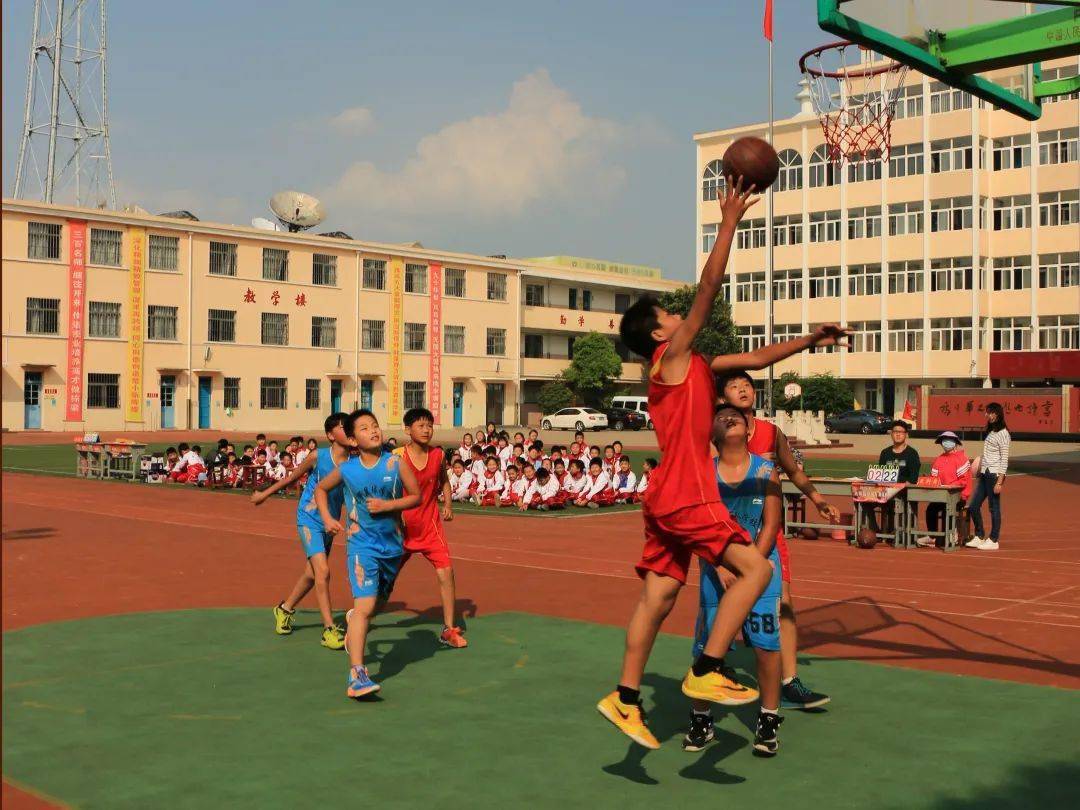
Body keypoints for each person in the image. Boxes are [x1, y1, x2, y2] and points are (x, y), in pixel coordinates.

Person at [597, 176, 851, 749]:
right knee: (758, 571)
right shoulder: (671, 355)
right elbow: (708, 291)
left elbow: (756, 358)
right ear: (658, 331)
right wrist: (730, 220)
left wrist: (810, 340)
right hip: (688, 493)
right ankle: (708, 668)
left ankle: (626, 697)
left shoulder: (690, 365)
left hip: (663, 497)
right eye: (669, 313)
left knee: (658, 597)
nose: (678, 315)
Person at [718, 370, 836, 710]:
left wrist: (817, 499)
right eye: (734, 386)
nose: (743, 390)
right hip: (727, 534)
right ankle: (715, 668)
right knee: (722, 604)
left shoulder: (771, 433)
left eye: (747, 385)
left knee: (784, 603)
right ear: (723, 398)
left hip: (768, 531)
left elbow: (794, 471)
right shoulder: (716, 432)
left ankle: (789, 681)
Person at [685, 405, 785, 756]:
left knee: (766, 645)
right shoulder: (703, 474)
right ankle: (701, 718)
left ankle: (768, 718)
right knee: (707, 646)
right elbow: (698, 528)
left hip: (762, 565)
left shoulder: (766, 471)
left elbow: (771, 524)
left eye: (736, 417)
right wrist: (721, 566)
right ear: (712, 434)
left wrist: (751, 568)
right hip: (717, 569)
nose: (730, 418)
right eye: (721, 417)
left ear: (748, 430)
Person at [314, 409, 420, 698]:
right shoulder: (347, 469)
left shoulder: (395, 463)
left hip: (392, 548)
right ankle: (357, 675)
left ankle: (355, 626)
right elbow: (321, 490)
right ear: (352, 440)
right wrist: (327, 518)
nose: (373, 430)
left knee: (375, 606)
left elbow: (416, 496)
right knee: (364, 606)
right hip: (361, 547)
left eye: (375, 425)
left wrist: (388, 506)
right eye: (364, 428)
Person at [255, 412, 353, 650]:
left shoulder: (353, 463)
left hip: (330, 522)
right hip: (309, 518)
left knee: (312, 573)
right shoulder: (318, 456)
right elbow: (292, 477)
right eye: (343, 427)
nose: (349, 430)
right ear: (330, 435)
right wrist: (264, 494)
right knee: (323, 571)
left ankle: (285, 608)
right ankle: (329, 630)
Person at [394, 407, 468, 648]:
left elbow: (443, 481)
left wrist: (448, 504)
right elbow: (388, 489)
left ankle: (448, 629)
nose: (426, 430)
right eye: (421, 425)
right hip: (401, 530)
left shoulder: (438, 455)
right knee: (385, 582)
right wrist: (394, 515)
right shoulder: (397, 457)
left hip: (430, 527)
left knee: (446, 572)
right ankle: (361, 615)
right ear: (408, 429)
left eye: (429, 425)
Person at [965, 403, 1011, 551]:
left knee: (994, 508)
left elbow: (1004, 459)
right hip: (985, 473)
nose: (987, 415)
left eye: (990, 412)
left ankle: (993, 539)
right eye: (986, 412)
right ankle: (979, 535)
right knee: (973, 506)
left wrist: (1000, 482)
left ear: (997, 414)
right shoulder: (991, 431)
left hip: (994, 475)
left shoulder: (1004, 434)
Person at [917, 431, 972, 548]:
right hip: (941, 496)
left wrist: (951, 487)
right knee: (931, 509)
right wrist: (927, 480)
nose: (946, 442)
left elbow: (963, 481)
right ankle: (932, 536)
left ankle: (951, 534)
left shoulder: (962, 459)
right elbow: (934, 479)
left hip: (958, 497)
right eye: (944, 440)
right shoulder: (939, 459)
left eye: (949, 439)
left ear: (955, 442)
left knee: (948, 509)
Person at [866, 420, 921, 533]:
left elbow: (913, 478)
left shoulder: (912, 454)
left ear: (906, 435)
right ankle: (875, 530)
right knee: (864, 501)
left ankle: (902, 533)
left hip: (903, 492)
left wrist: (899, 487)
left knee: (903, 503)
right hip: (885, 492)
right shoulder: (885, 453)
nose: (898, 434)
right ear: (891, 434)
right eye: (895, 431)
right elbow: (880, 474)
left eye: (901, 432)